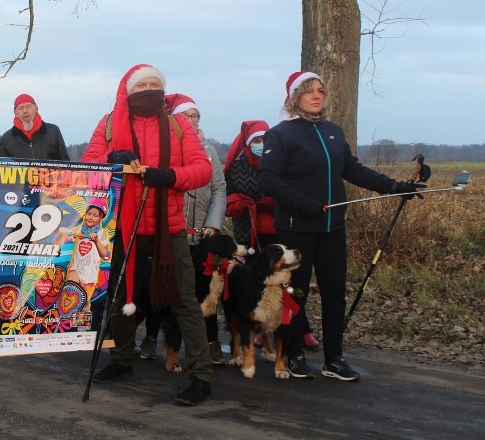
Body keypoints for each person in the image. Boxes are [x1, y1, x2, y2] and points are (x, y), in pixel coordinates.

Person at [257, 71, 417, 381]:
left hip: (332, 227)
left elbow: (352, 169)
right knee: (295, 293)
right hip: (296, 228)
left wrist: (394, 186)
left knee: (334, 293)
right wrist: (304, 203)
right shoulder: (281, 134)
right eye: (308, 91)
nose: (316, 95)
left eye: (320, 90)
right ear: (294, 98)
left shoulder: (332, 131)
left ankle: (334, 359)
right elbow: (267, 178)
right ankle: (292, 354)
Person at [81, 64, 214, 406]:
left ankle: (202, 375)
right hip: (123, 227)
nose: (151, 89)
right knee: (119, 296)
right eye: (144, 85)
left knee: (184, 300)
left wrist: (168, 176)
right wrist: (115, 158)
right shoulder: (109, 124)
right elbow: (89, 165)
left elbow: (202, 169)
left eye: (157, 84)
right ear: (128, 91)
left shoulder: (177, 123)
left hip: (168, 230)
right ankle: (122, 360)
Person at [136, 93, 228, 365]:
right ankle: (152, 337)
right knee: (161, 289)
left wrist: (213, 224)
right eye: (185, 116)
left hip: (201, 235)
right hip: (172, 231)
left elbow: (219, 190)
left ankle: (210, 343)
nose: (191, 120)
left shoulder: (209, 152)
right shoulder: (166, 146)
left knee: (201, 291)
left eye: (195, 116)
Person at [224, 120, 321, 351]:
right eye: (256, 140)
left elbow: (291, 192)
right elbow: (227, 195)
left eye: (264, 140)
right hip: (248, 232)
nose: (261, 144)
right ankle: (259, 330)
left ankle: (301, 328)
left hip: (278, 231)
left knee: (286, 283)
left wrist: (275, 202)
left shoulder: (280, 163)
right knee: (254, 285)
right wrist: (237, 203)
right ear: (248, 143)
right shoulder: (237, 168)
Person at [54, 196, 112, 306]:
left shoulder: (102, 234)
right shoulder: (78, 229)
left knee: (83, 307)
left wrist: (96, 241)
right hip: (75, 271)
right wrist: (61, 234)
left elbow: (106, 256)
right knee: (69, 295)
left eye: (95, 215)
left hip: (89, 278)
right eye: (89, 214)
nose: (91, 217)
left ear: (101, 218)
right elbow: (57, 244)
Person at [0, 93, 70, 160]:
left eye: (28, 106)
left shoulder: (53, 132)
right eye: (21, 108)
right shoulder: (6, 139)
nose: (25, 111)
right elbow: (0, 168)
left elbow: (65, 163)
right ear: (15, 113)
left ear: (36, 108)